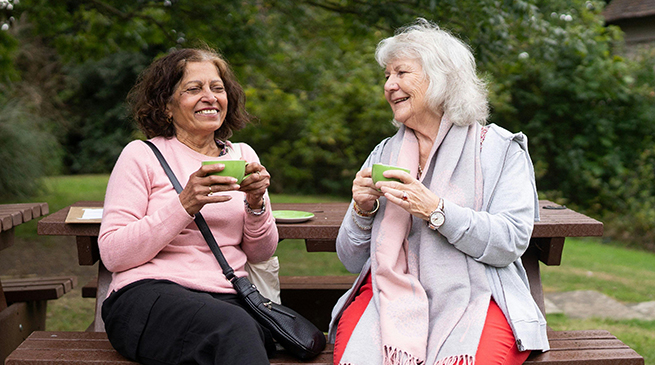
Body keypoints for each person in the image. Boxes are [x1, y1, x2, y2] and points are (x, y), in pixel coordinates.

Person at [329, 19, 549, 365]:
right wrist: (362, 209)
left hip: (479, 294)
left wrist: (437, 210)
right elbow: (351, 259)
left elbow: (509, 241)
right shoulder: (383, 154)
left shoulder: (499, 149)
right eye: (386, 76)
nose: (389, 85)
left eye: (401, 73)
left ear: (441, 78)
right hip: (389, 297)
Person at [98, 47, 278, 365]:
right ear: (167, 106)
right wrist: (184, 203)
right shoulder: (141, 155)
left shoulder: (244, 155)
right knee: (234, 331)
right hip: (148, 295)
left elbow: (260, 253)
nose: (209, 96)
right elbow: (113, 254)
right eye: (193, 89)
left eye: (217, 88)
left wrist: (256, 202)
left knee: (256, 334)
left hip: (228, 297)